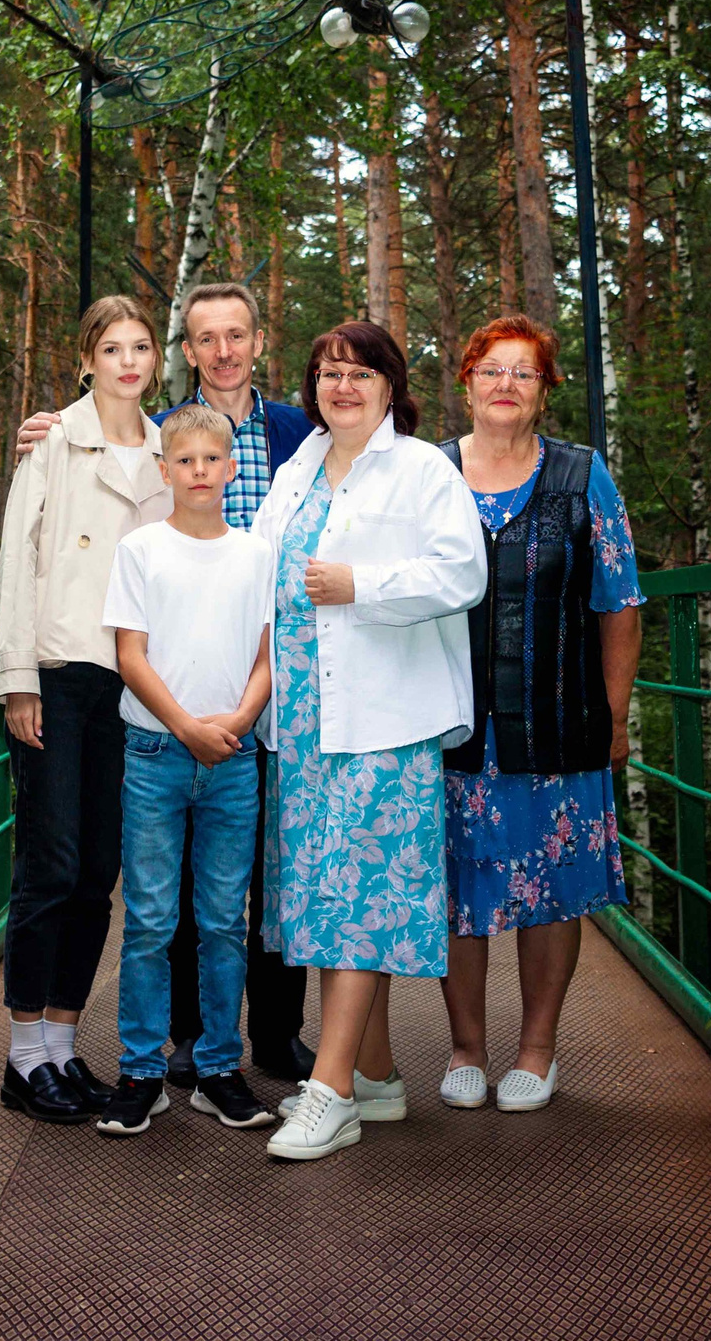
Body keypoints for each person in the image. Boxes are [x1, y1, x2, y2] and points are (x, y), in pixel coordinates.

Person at [13, 282, 318, 1085]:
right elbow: (38, 554)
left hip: (251, 674)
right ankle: (150, 1041)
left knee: (249, 867)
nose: (222, 350)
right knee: (138, 879)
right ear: (187, 351)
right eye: (204, 337)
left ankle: (270, 1033)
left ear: (257, 340)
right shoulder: (145, 438)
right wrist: (17, 676)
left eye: (236, 334)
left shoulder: (288, 434)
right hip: (138, 683)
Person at [252, 320, 486, 1161]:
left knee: (359, 904)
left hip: (383, 725)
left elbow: (464, 574)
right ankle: (380, 1075)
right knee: (326, 899)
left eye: (358, 372)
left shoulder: (423, 469)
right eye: (327, 372)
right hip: (307, 726)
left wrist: (363, 585)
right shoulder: (298, 467)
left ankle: (333, 1089)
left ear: (392, 385)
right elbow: (253, 570)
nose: (341, 385)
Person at [435, 315, 644, 1113]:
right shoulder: (430, 473)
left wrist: (615, 718)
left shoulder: (582, 474)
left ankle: (537, 1048)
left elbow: (619, 602)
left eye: (524, 373)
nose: (506, 385)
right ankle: (463, 1049)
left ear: (545, 390)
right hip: (452, 723)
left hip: (557, 719)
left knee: (550, 884)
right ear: (467, 380)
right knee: (459, 882)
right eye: (492, 369)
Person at [0, 294, 171, 1124]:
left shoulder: (170, 451)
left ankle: (63, 1047)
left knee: (99, 871)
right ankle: (23, 1056)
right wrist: (16, 673)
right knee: (50, 863)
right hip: (60, 672)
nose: (129, 361)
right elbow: (15, 561)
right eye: (113, 347)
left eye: (141, 347)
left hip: (131, 685)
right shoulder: (54, 443)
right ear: (87, 360)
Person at [95, 404, 280, 1135]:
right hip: (154, 754)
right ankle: (141, 1070)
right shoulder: (141, 551)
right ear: (164, 469)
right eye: (185, 461)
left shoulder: (256, 554)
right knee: (148, 918)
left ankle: (218, 1067)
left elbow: (268, 657)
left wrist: (231, 726)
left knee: (223, 922)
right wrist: (185, 727)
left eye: (213, 459)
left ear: (231, 469)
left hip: (233, 758)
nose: (199, 472)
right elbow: (130, 654)